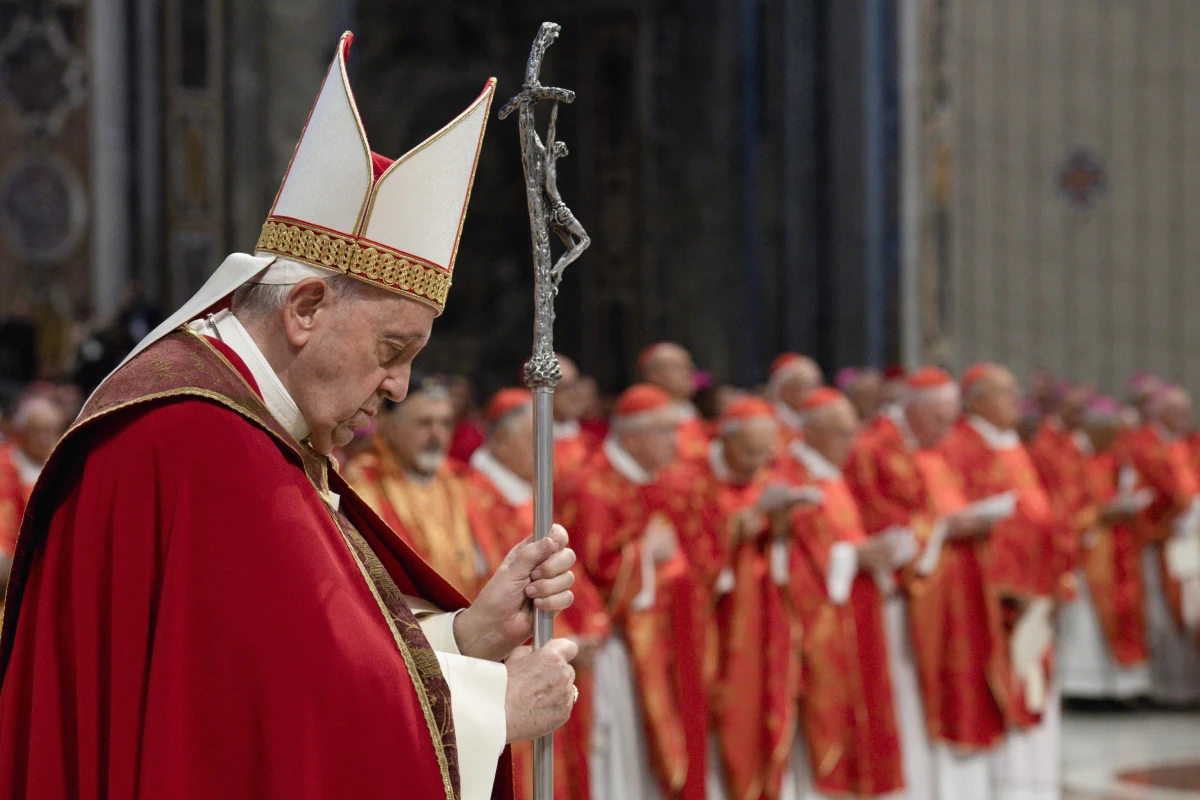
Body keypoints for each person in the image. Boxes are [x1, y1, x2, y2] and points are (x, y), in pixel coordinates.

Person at [0, 34, 579, 800]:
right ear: (306, 308)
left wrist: (466, 640)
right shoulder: (203, 441)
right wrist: (487, 712)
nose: (402, 387)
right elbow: (276, 731)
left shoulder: (234, 422)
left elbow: (275, 679)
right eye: (392, 347)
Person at [844, 366, 991, 800]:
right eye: (940, 419)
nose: (948, 430)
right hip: (901, 595)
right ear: (911, 410)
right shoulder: (874, 448)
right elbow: (875, 518)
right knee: (905, 688)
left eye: (952, 419)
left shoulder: (928, 448)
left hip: (942, 586)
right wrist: (943, 529)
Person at [462, 388, 610, 800]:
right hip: (507, 665)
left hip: (562, 653)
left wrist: (590, 626)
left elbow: (568, 573)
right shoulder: (469, 495)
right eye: (533, 439)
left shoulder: (531, 497)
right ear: (501, 438)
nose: (546, 455)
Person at [569, 384, 700, 800]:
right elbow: (591, 570)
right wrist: (647, 554)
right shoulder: (594, 486)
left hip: (660, 640)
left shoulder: (652, 481)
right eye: (664, 432)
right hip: (618, 646)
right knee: (624, 761)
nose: (674, 442)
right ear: (631, 436)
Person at [938, 364, 1061, 800]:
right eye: (1004, 393)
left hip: (1034, 587)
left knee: (1030, 684)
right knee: (998, 688)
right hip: (994, 594)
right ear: (975, 401)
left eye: (1015, 391)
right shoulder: (960, 448)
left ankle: (1029, 787)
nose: (1016, 400)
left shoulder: (1009, 445)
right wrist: (1007, 585)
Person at [675, 396, 807, 800]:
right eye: (751, 451)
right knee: (727, 713)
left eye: (766, 451)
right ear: (725, 443)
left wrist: (780, 524)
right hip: (718, 625)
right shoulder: (693, 481)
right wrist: (739, 529)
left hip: (765, 619)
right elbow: (690, 560)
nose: (759, 461)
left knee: (767, 707)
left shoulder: (769, 477)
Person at [777, 388, 905, 799]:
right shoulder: (793, 477)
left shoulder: (831, 475)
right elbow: (792, 559)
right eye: (839, 433)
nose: (850, 444)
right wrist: (856, 556)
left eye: (852, 433)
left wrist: (872, 553)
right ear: (811, 432)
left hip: (856, 608)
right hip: (822, 620)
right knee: (825, 719)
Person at [345, 377, 492, 597]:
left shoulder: (461, 480)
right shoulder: (364, 481)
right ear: (390, 425)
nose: (437, 435)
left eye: (445, 423)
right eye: (424, 423)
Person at [1056, 395, 1153, 703]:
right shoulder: (1069, 455)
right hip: (1087, 551)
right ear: (1093, 428)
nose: (1114, 441)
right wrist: (1099, 514)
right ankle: (1083, 688)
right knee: (1085, 620)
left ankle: (1117, 687)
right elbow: (1063, 505)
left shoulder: (1110, 455)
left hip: (1116, 545)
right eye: (1109, 434)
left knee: (1124, 612)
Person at [1124, 385, 1200, 705]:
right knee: (1162, 615)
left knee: (1189, 609)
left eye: (1186, 412)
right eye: (1176, 412)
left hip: (1189, 539)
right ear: (1161, 412)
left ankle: (1189, 686)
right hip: (1161, 540)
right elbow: (1146, 488)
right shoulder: (1145, 443)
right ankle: (1166, 689)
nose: (1184, 418)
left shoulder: (1185, 443)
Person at [0, 393, 68, 558]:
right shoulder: (5, 466)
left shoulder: (64, 465)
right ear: (20, 432)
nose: (44, 438)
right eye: (37, 430)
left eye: (51, 430)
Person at [638, 342, 709, 460]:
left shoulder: (688, 407)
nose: (689, 373)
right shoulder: (644, 414)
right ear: (654, 375)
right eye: (678, 367)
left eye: (690, 366)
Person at [552, 354, 598, 479]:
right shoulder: (527, 445)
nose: (575, 394)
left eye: (575, 384)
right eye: (563, 387)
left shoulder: (593, 441)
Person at [766, 352, 824, 438]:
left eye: (813, 386)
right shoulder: (771, 421)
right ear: (783, 390)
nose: (811, 393)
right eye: (803, 387)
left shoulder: (814, 417)